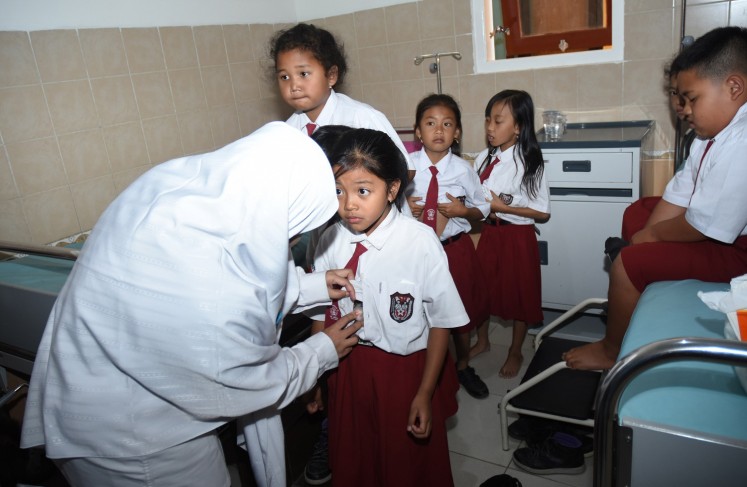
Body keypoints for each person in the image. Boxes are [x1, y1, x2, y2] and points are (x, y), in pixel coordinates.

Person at [20, 122, 364, 487]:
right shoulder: (217, 288)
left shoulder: (177, 184)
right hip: (135, 443)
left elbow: (221, 274)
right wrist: (323, 350)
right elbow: (250, 377)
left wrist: (311, 285)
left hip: (84, 394)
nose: (294, 234)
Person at [564, 26, 747, 371]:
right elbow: (678, 194)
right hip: (716, 230)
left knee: (627, 264)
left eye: (692, 99)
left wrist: (644, 246)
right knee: (639, 210)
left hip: (737, 252)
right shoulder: (709, 137)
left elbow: (703, 225)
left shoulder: (741, 140)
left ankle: (610, 350)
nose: (683, 109)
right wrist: (646, 235)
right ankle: (630, 295)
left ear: (734, 88)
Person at [307, 128, 465, 487]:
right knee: (357, 457)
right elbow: (321, 310)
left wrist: (426, 392)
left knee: (405, 463)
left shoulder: (419, 243)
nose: (348, 204)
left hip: (404, 372)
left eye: (363, 191)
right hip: (347, 368)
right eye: (338, 190)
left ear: (392, 189)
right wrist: (314, 374)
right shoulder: (329, 238)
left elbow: (442, 321)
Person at [406, 93, 492, 399]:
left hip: (453, 250)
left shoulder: (463, 170)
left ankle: (463, 365)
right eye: (430, 123)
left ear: (456, 133)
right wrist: (404, 206)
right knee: (419, 311)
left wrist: (463, 211)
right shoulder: (405, 167)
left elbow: (483, 208)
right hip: (415, 254)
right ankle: (425, 370)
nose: (438, 130)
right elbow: (382, 203)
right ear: (418, 131)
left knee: (460, 312)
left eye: (447, 124)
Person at [471, 90, 550, 378]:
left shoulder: (530, 162)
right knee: (482, 290)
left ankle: (515, 349)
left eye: (498, 121)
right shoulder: (483, 158)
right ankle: (482, 340)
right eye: (488, 121)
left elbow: (542, 212)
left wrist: (500, 205)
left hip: (517, 238)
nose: (490, 128)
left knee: (520, 295)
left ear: (517, 127)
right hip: (490, 234)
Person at [270, 22, 414, 179]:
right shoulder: (288, 132)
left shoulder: (362, 118)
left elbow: (406, 170)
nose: (294, 85)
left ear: (331, 75)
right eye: (284, 77)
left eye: (303, 74)